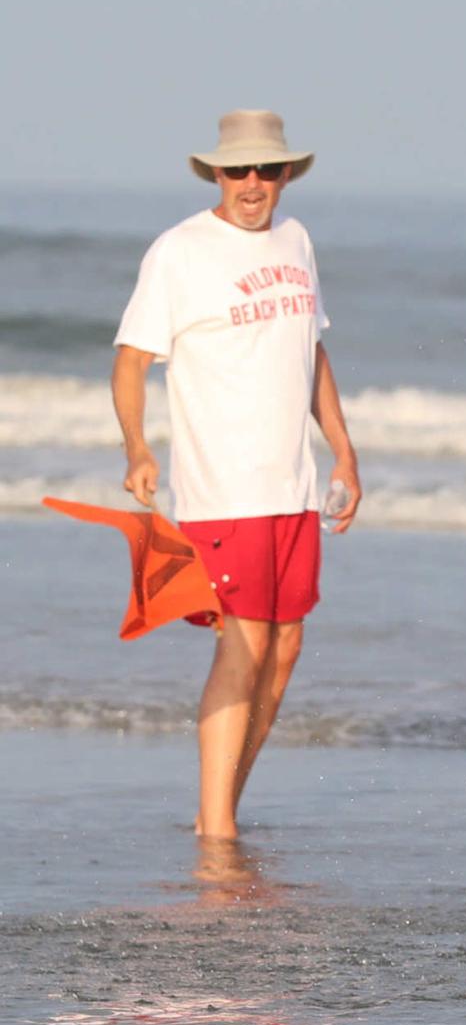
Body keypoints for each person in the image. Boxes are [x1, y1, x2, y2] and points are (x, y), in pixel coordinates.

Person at [111, 110, 361, 840]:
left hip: (294, 486)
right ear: (216, 174)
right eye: (238, 169)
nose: (253, 183)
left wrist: (343, 449)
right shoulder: (180, 251)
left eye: (267, 169)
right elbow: (130, 359)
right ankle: (217, 833)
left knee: (285, 650)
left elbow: (311, 354)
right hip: (222, 490)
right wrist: (137, 447)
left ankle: (220, 809)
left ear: (286, 175)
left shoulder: (297, 241)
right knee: (243, 644)